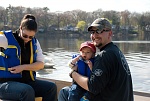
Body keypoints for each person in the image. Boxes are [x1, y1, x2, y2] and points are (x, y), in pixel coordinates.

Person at [58, 18, 134, 101]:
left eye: (99, 31)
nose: (94, 35)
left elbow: (92, 87)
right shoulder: (116, 51)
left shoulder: (104, 56)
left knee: (64, 92)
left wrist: (73, 74)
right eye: (92, 32)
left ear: (110, 33)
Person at [0, 14, 57, 101]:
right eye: (25, 36)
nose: (27, 39)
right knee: (27, 90)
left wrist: (23, 67)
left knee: (51, 87)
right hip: (4, 83)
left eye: (31, 37)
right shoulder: (5, 39)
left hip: (25, 82)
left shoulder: (35, 42)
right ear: (20, 28)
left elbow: (41, 65)